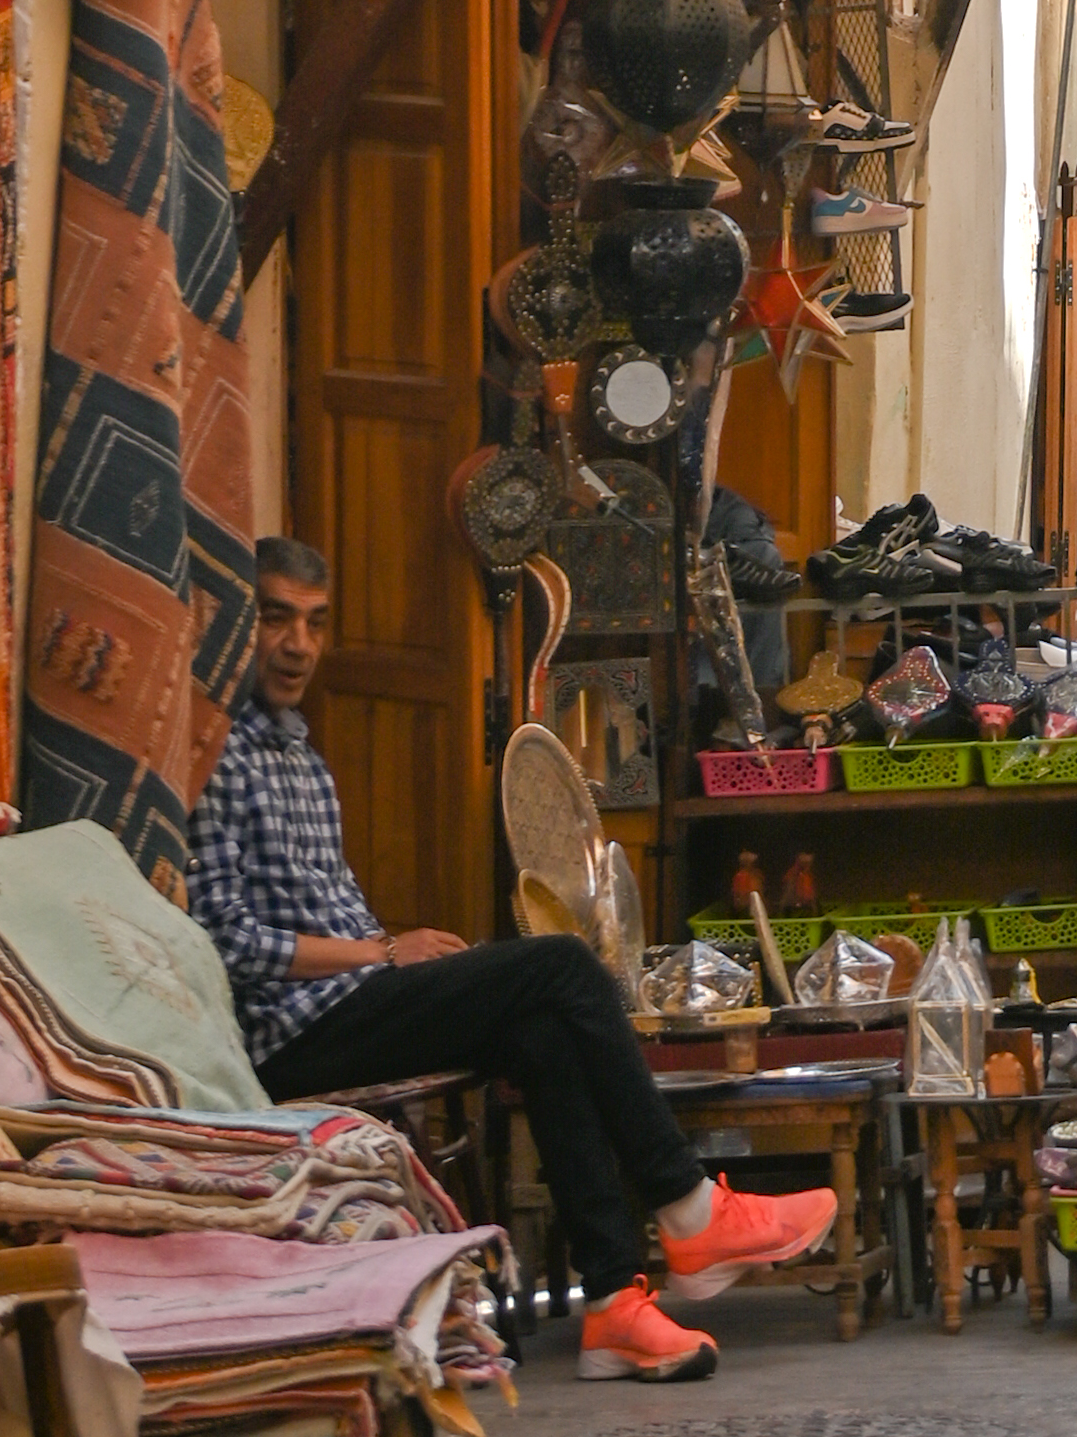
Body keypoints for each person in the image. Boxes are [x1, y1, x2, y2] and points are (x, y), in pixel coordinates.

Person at [188, 536, 833, 1382]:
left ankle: (612, 1305)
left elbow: (332, 910)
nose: (299, 644)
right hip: (297, 1034)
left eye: (313, 622)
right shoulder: (216, 751)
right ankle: (688, 1205)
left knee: (543, 1025)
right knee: (560, 965)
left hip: (359, 994)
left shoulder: (304, 759)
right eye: (277, 619)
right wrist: (385, 951)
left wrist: (396, 962)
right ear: (240, 622)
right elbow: (227, 940)